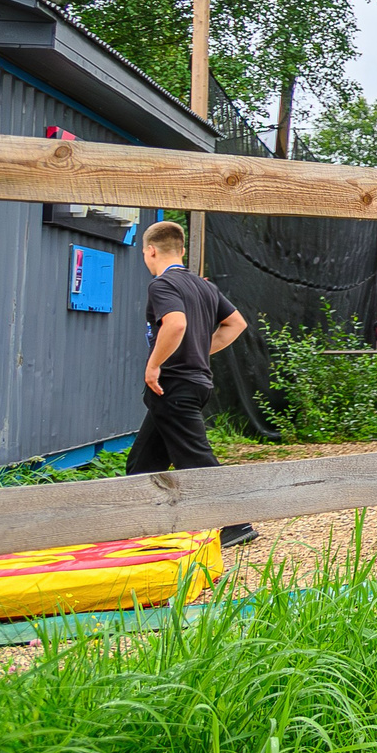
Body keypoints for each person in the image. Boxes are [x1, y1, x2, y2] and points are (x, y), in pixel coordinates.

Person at [133, 221, 255, 549]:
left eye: (145, 252)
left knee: (196, 458)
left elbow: (176, 323)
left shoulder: (162, 285)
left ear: (151, 250)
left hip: (173, 384)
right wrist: (202, 348)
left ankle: (235, 524)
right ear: (182, 250)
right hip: (195, 383)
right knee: (142, 464)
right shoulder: (204, 287)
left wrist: (154, 365)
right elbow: (236, 323)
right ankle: (138, 526)